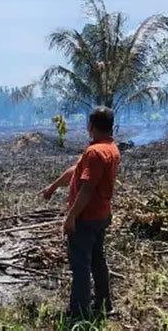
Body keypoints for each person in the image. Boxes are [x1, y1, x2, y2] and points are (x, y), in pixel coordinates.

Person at [40, 106, 120, 321]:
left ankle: (79, 313)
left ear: (91, 126)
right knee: (97, 260)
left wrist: (71, 216)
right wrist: (53, 187)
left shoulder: (95, 153)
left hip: (86, 218)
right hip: (101, 215)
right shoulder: (109, 148)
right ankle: (104, 304)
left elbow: (87, 188)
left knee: (81, 264)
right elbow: (75, 172)